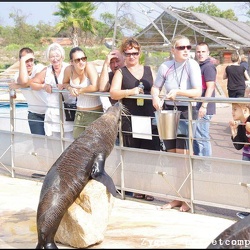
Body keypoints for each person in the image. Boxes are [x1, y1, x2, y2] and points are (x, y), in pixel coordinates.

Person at [151, 35, 202, 212]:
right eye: (181, 47)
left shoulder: (192, 65)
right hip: (170, 111)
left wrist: (178, 91)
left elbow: (197, 91)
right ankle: (176, 197)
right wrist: (155, 96)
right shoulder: (165, 66)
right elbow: (156, 86)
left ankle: (187, 198)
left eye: (188, 47)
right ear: (173, 50)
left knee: (184, 158)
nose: (186, 50)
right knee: (173, 158)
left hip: (187, 111)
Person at [110, 37, 160, 201]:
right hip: (130, 118)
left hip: (148, 116)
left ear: (139, 53)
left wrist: (157, 97)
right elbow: (114, 93)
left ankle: (148, 187)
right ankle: (137, 187)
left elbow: (156, 88)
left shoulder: (148, 69)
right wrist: (130, 92)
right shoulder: (121, 72)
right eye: (128, 53)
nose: (132, 56)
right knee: (133, 153)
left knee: (151, 152)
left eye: (135, 53)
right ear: (124, 54)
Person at [30, 42, 75, 139]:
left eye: (57, 56)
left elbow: (78, 83)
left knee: (69, 143)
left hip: (68, 112)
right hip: (53, 113)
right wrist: (44, 86)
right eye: (52, 56)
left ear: (62, 56)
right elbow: (33, 84)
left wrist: (66, 86)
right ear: (48, 58)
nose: (55, 59)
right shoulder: (47, 70)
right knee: (54, 144)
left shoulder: (69, 68)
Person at [63, 46, 103, 139]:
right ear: (71, 62)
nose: (81, 62)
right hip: (79, 113)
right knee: (77, 140)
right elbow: (64, 83)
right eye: (77, 60)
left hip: (94, 112)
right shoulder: (69, 70)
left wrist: (79, 91)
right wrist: (69, 88)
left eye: (83, 59)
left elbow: (95, 86)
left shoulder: (89, 67)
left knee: (94, 143)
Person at [9, 47, 47, 135]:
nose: (29, 63)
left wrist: (18, 85)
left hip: (49, 112)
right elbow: (23, 80)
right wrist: (22, 61)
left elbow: (30, 81)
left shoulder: (39, 68)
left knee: (53, 144)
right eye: (26, 61)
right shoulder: (17, 75)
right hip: (34, 114)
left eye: (31, 60)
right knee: (38, 144)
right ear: (20, 61)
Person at [193, 42, 217, 156]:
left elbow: (211, 86)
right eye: (198, 51)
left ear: (208, 53)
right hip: (198, 106)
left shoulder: (208, 67)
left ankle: (205, 165)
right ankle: (200, 162)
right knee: (197, 137)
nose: (200, 54)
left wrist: (204, 105)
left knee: (202, 137)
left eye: (203, 51)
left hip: (204, 108)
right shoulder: (199, 66)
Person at [229, 102, 250, 219]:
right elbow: (238, 146)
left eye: (235, 109)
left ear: (245, 109)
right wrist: (233, 130)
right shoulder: (242, 124)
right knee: (247, 183)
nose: (232, 112)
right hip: (246, 155)